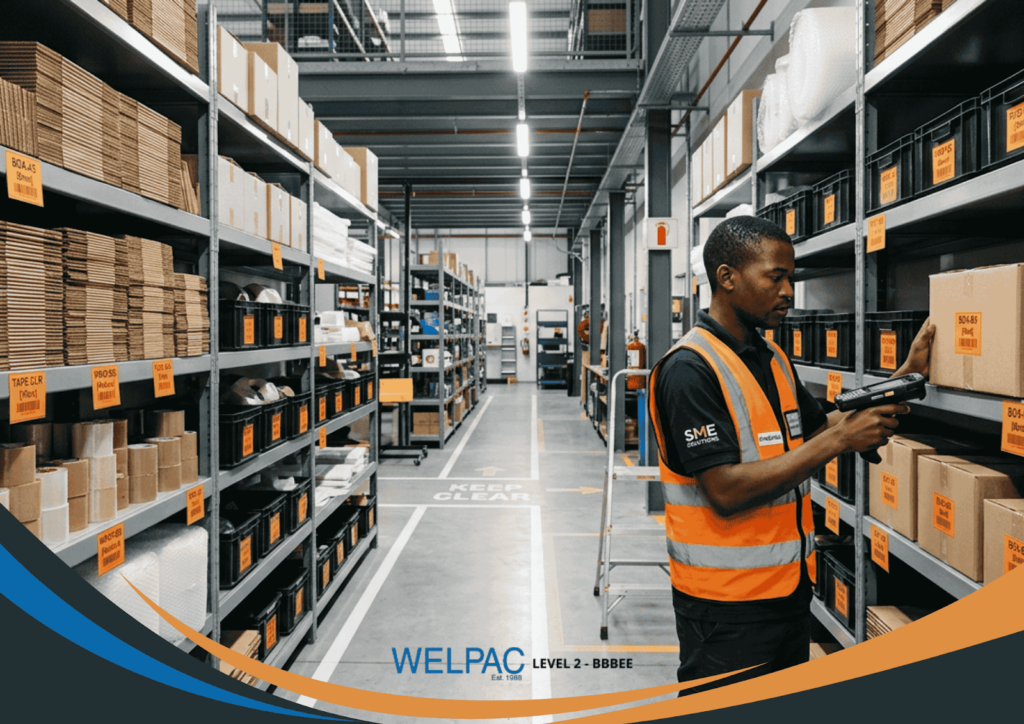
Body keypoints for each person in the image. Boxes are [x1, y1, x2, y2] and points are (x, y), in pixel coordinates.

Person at [648, 216, 934, 693]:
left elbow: (823, 425)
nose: (788, 292)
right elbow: (724, 489)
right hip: (725, 609)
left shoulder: (771, 357)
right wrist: (839, 442)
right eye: (774, 277)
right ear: (727, 278)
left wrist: (900, 381)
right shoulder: (689, 369)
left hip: (787, 592)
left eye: (792, 278)